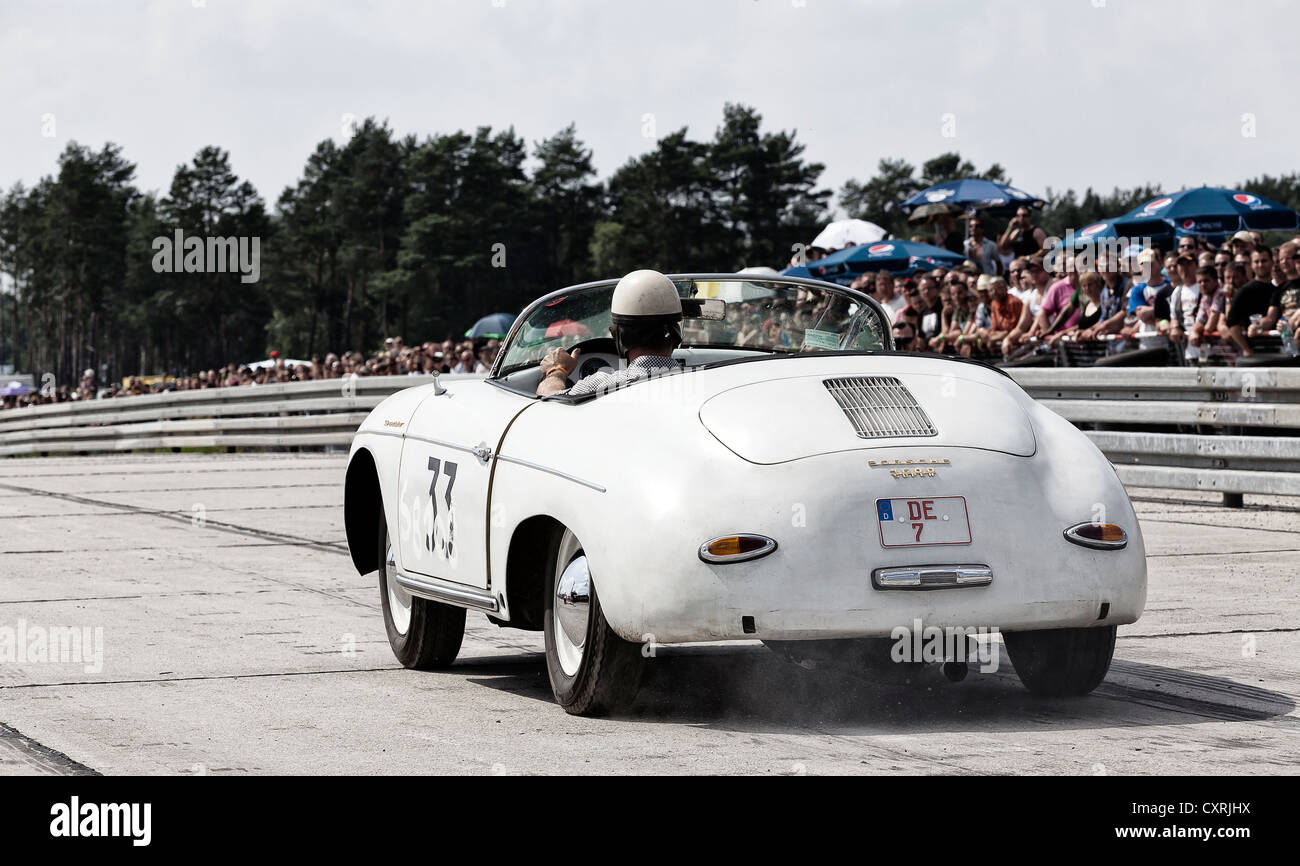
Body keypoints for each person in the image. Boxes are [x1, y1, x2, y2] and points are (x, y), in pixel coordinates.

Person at [537, 269, 684, 397]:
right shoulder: (699, 379)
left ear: (618, 336)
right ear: (676, 334)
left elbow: (549, 399)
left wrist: (557, 370)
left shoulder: (597, 386)